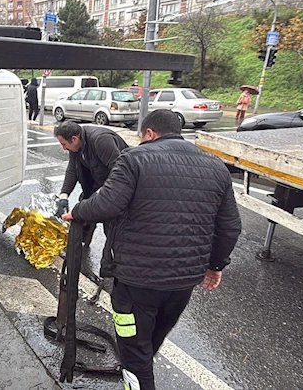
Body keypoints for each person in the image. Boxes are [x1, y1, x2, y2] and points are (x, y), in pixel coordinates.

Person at [62, 110, 242, 390]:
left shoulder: (134, 159)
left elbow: (106, 205)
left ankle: (136, 375)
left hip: (137, 281)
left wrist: (76, 211)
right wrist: (215, 265)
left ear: (149, 133)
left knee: (132, 345)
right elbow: (230, 226)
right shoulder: (216, 166)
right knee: (153, 337)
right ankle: (140, 365)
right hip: (183, 283)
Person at [53, 121, 128, 249]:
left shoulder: (101, 140)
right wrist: (63, 196)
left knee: (111, 225)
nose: (64, 148)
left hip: (115, 188)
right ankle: (80, 246)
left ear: (74, 139)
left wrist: (99, 195)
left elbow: (120, 173)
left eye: (64, 144)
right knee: (82, 215)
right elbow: (72, 170)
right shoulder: (75, 146)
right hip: (94, 183)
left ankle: (115, 255)